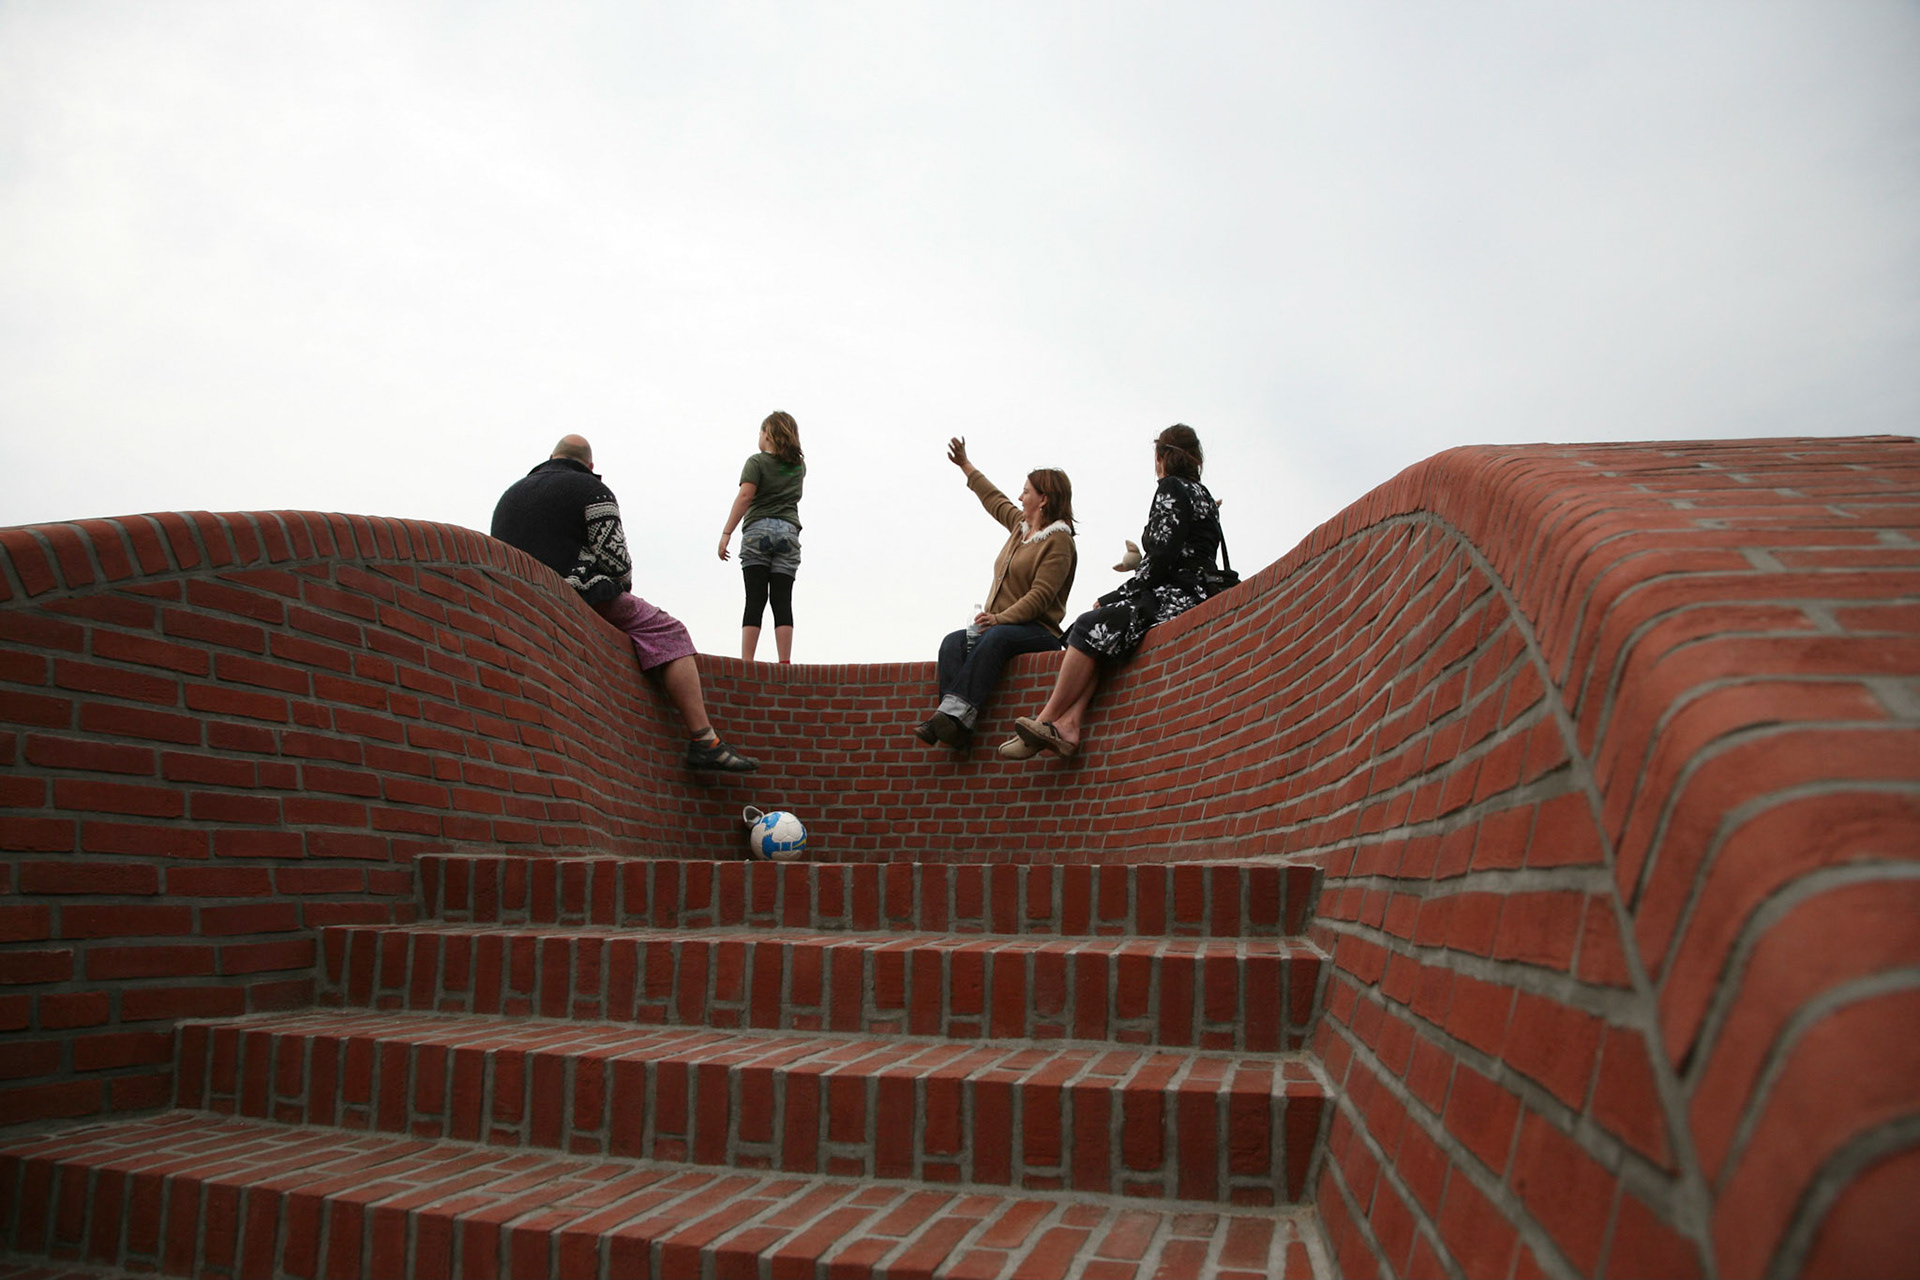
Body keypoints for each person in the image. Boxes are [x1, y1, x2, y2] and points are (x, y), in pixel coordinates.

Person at [492, 434, 759, 772]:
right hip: (573, 592)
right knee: (670, 632)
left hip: (514, 597)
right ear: (590, 465)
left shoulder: (510, 495)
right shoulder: (592, 491)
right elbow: (617, 566)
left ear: (551, 456)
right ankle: (705, 741)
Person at [1000, 423, 1231, 761]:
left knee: (1090, 623)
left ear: (1161, 456)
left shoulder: (1171, 487)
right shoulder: (1203, 494)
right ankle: (1069, 725)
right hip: (1196, 590)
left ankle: (1046, 720)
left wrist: (1117, 595)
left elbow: (1162, 556)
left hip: (1177, 594)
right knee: (1105, 634)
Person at [916, 437, 1078, 751]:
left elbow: (1040, 597)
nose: (1020, 497)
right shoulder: (1020, 527)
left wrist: (998, 619)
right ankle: (952, 725)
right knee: (953, 643)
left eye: (1026, 492)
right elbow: (994, 499)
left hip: (1038, 631)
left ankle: (954, 717)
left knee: (996, 637)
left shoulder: (1059, 541)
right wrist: (965, 465)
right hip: (1000, 627)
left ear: (1043, 499)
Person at [718, 411, 807, 663]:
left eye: (761, 431)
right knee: (782, 599)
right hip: (788, 533)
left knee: (755, 597)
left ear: (768, 434)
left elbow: (745, 496)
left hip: (758, 531)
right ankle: (784, 662)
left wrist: (727, 532)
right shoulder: (798, 467)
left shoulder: (756, 463)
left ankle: (747, 662)